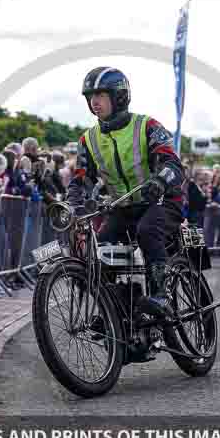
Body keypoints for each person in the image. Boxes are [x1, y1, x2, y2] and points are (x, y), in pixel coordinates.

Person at [67, 67, 185, 322]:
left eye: (100, 95)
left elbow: (173, 164)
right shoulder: (88, 139)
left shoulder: (147, 126)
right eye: (90, 97)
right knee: (100, 250)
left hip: (161, 201)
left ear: (119, 96)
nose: (94, 102)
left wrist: (160, 181)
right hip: (123, 208)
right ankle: (115, 311)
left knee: (147, 231)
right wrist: (72, 207)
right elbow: (80, 180)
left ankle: (161, 295)